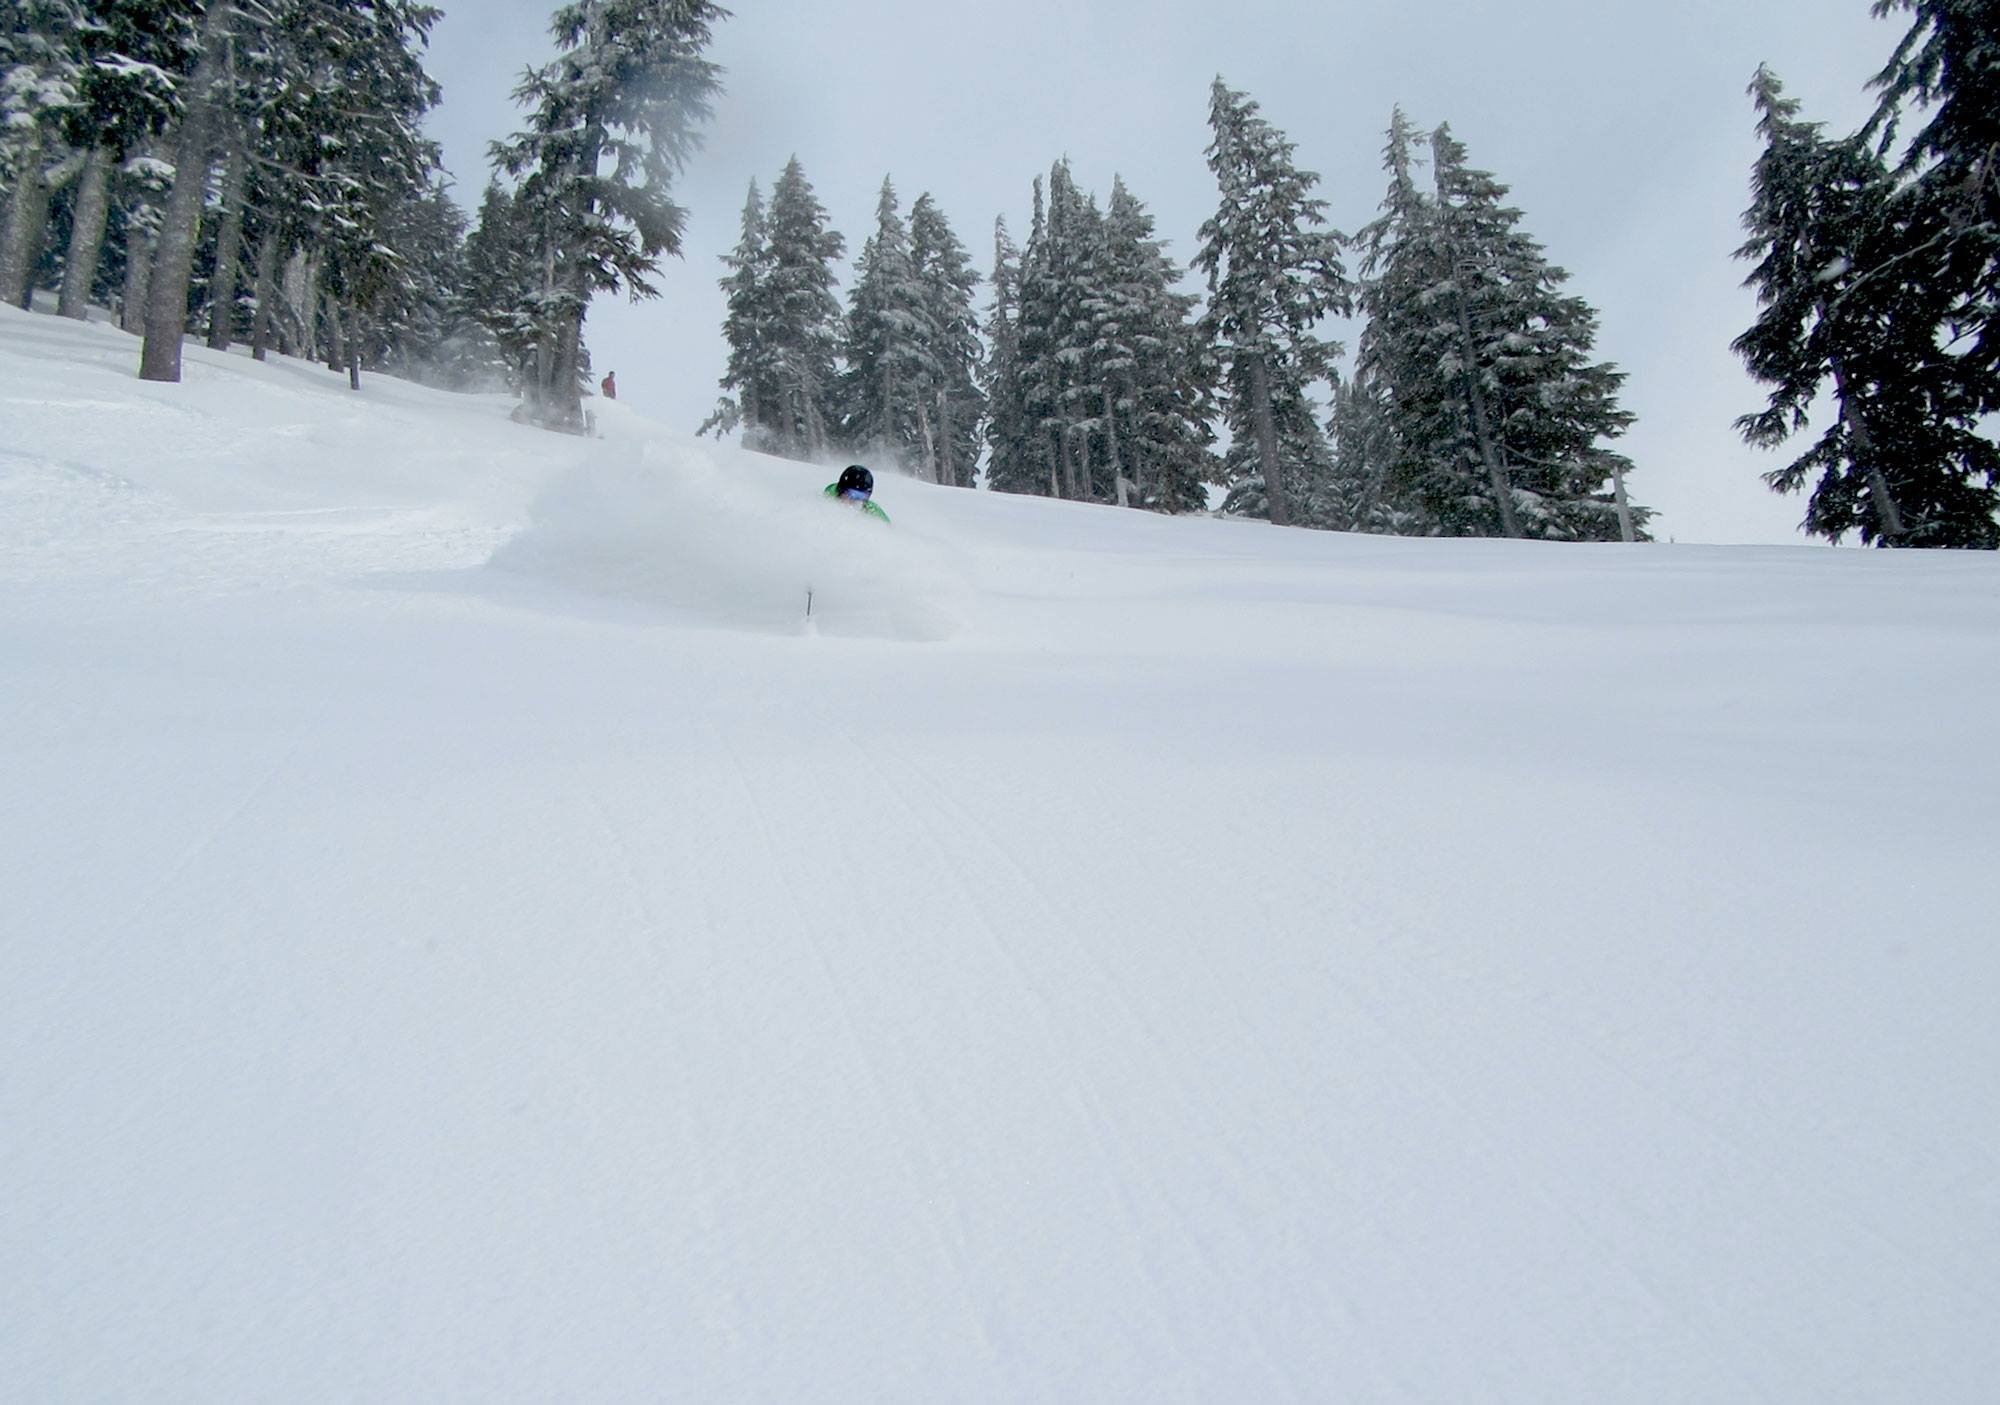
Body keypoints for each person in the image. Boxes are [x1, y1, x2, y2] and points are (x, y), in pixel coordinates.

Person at [823, 464, 890, 523]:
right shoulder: (828, 501)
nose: (857, 501)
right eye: (853, 494)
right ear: (841, 491)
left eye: (862, 496)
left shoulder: (872, 511)